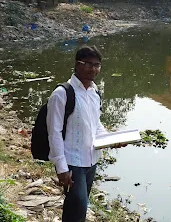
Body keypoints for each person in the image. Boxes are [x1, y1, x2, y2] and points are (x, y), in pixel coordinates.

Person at [46, 46, 106, 222]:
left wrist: (111, 139)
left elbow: (96, 124)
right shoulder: (62, 94)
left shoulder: (95, 93)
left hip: (91, 160)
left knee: (77, 206)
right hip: (72, 161)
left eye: (97, 65)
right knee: (79, 203)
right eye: (88, 64)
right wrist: (61, 167)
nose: (93, 69)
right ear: (77, 64)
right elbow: (54, 132)